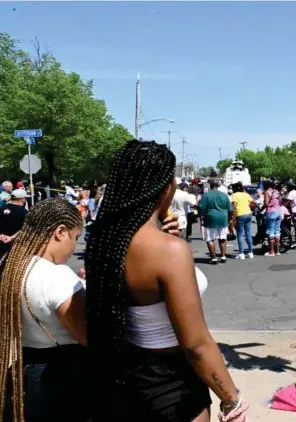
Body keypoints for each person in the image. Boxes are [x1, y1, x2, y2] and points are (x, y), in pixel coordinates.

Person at [84, 141, 247, 421]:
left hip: (126, 373)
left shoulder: (104, 240)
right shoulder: (167, 251)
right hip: (173, 386)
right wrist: (231, 398)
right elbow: (195, 344)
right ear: (166, 187)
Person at [0, 199, 91, 421]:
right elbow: (87, 336)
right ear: (61, 232)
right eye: (75, 237)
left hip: (27, 373)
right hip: (62, 378)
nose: (73, 248)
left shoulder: (13, 266)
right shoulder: (57, 277)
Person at [199, 181, 233, 264]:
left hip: (210, 218)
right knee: (222, 238)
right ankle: (223, 256)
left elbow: (202, 208)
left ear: (210, 186)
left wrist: (201, 217)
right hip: (223, 218)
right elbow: (230, 209)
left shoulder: (206, 195)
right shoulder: (224, 195)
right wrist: (229, 219)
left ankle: (214, 257)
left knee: (210, 238)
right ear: (218, 186)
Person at [0, 189, 29, 258]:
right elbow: (25, 229)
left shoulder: (2, 208)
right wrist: (11, 237)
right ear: (23, 200)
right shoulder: (24, 212)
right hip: (15, 246)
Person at [231, 182, 255, 259]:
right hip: (248, 214)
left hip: (240, 215)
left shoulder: (234, 195)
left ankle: (241, 253)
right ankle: (250, 252)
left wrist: (232, 216)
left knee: (240, 234)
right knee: (248, 233)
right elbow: (254, 202)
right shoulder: (246, 194)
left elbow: (234, 206)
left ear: (234, 189)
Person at [264, 180, 283, 256]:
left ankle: (272, 251)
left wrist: (261, 209)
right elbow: (280, 201)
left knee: (271, 232)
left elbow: (266, 203)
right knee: (277, 231)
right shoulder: (277, 191)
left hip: (271, 212)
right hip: (278, 212)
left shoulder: (267, 192)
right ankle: (278, 251)